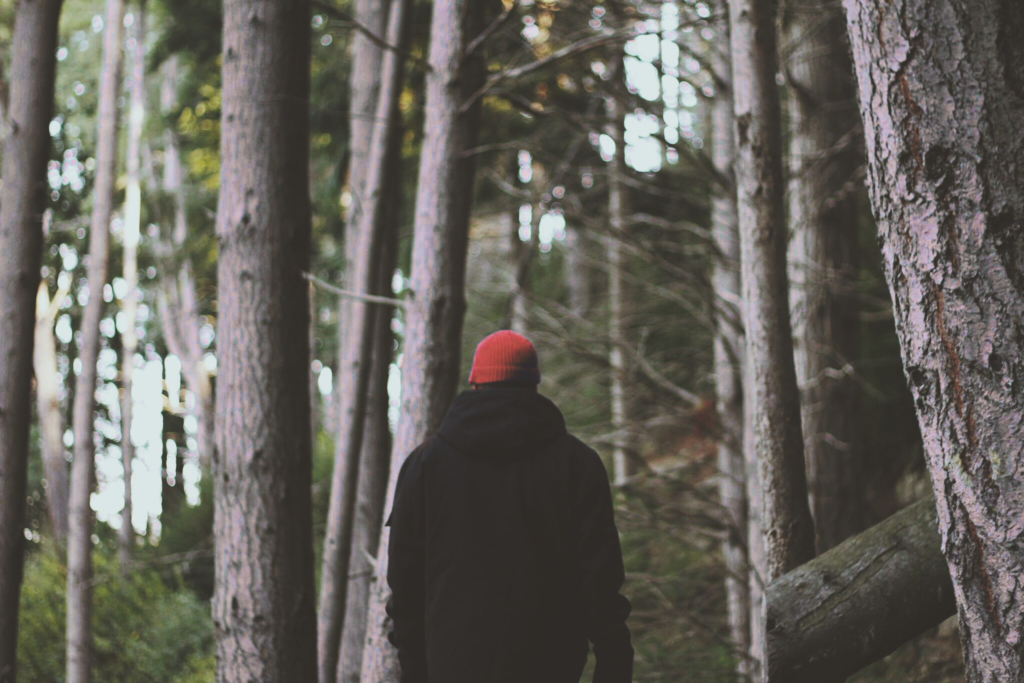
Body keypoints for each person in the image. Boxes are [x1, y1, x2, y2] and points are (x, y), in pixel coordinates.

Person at [385, 330, 634, 683]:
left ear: (475, 385)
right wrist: (614, 672)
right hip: (552, 669)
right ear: (534, 386)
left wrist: (415, 674)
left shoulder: (425, 465)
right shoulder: (578, 464)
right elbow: (601, 587)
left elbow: (405, 591)